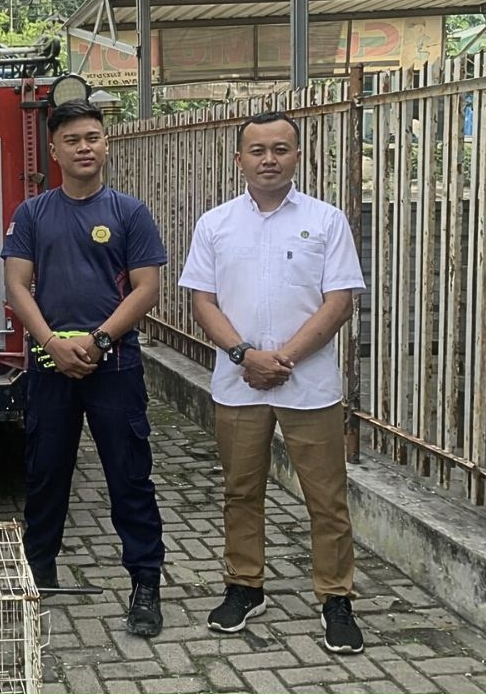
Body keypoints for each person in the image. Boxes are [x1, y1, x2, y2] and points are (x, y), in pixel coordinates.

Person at [177, 111, 367, 654]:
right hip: (238, 382)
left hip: (308, 384)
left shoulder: (327, 221)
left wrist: (282, 358)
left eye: (280, 149)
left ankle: (336, 598)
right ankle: (245, 585)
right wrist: (244, 354)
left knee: (326, 498)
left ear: (297, 156)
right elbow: (201, 300)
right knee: (241, 491)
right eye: (257, 150)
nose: (268, 159)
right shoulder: (215, 224)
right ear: (238, 159)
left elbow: (340, 300)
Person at [1, 99, 166, 637]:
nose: (84, 147)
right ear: (54, 150)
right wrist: (49, 341)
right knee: (45, 473)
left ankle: (145, 583)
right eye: (73, 140)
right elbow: (16, 286)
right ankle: (38, 571)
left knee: (130, 477)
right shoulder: (31, 214)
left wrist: (98, 341)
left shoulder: (129, 212)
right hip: (50, 367)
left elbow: (147, 288)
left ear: (106, 143)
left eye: (93, 137)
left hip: (115, 366)